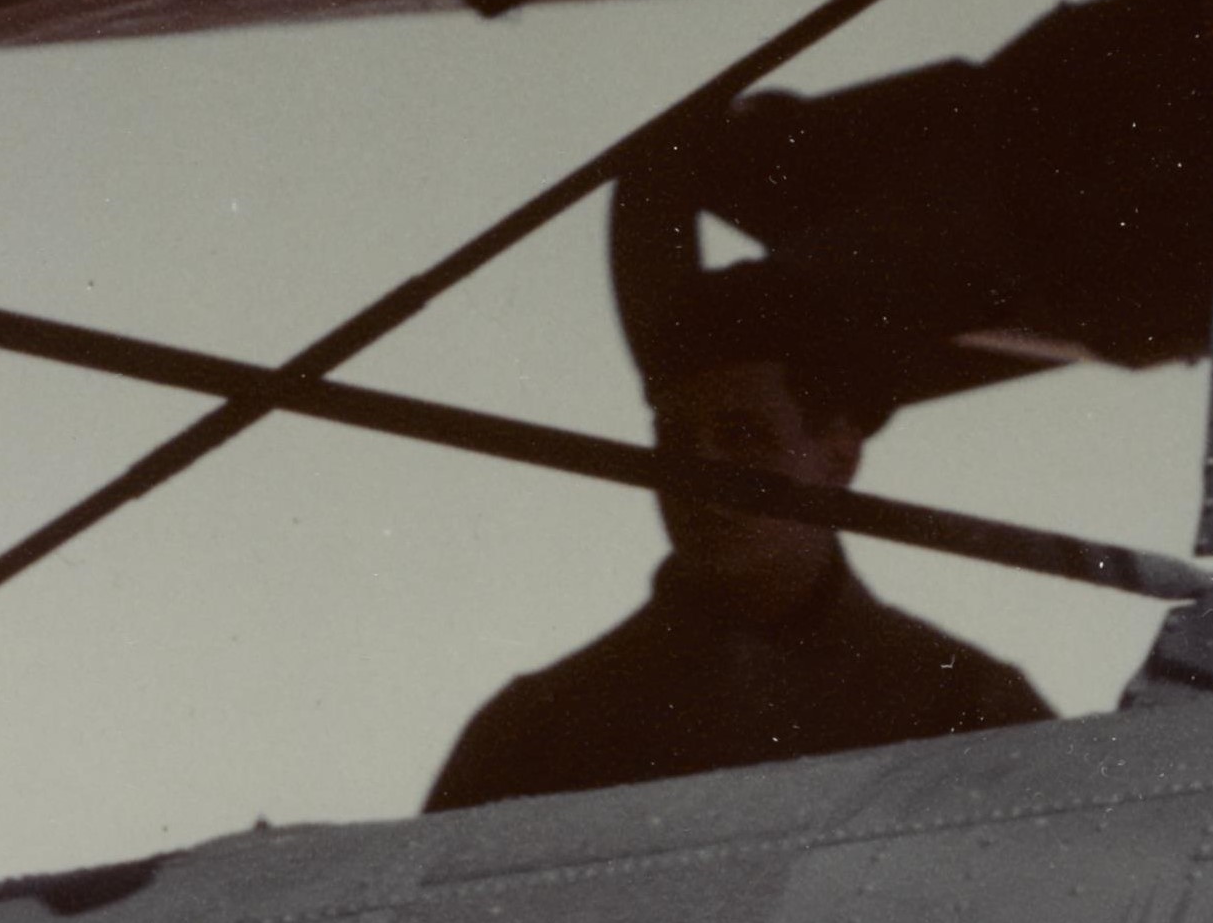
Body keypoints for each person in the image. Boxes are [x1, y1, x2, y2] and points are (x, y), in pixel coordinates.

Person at [422, 269, 1050, 813]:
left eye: (745, 435)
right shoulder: (536, 731)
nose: (702, 476)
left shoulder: (966, 708)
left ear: (838, 458)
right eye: (674, 439)